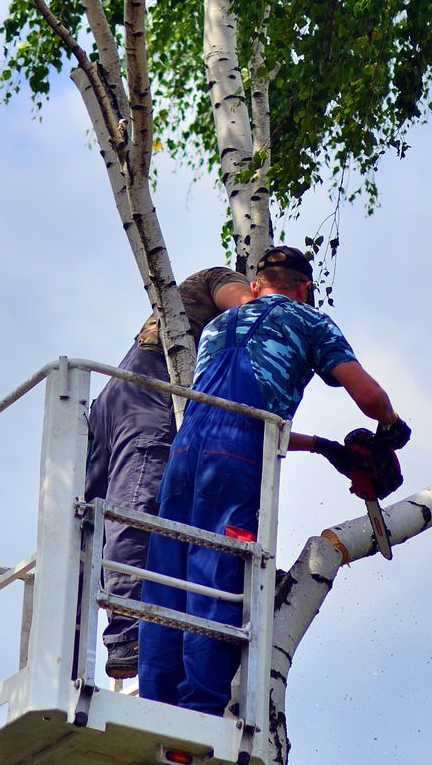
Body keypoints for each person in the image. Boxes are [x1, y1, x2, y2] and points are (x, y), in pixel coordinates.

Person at [136, 245, 410, 714]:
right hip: (236, 456)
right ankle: (200, 707)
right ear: (304, 289)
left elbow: (243, 412)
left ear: (256, 285)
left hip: (187, 451)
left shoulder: (220, 325)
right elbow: (368, 396)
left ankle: (155, 705)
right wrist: (391, 426)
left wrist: (326, 447)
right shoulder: (310, 321)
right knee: (218, 567)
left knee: (169, 569)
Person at [84, 267, 250, 678]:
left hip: (119, 394)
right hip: (151, 392)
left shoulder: (188, 304)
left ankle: (66, 643)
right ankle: (126, 635)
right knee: (133, 509)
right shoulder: (225, 280)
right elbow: (250, 311)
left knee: (87, 524)